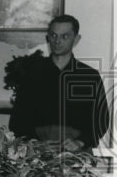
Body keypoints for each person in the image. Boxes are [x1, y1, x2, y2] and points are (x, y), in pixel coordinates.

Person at [8, 14, 110, 150]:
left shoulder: (89, 76)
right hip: (37, 151)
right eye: (53, 35)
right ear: (48, 37)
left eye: (65, 36)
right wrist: (34, 143)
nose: (57, 41)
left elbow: (101, 119)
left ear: (76, 39)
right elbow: (17, 120)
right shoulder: (32, 74)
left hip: (76, 151)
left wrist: (81, 142)